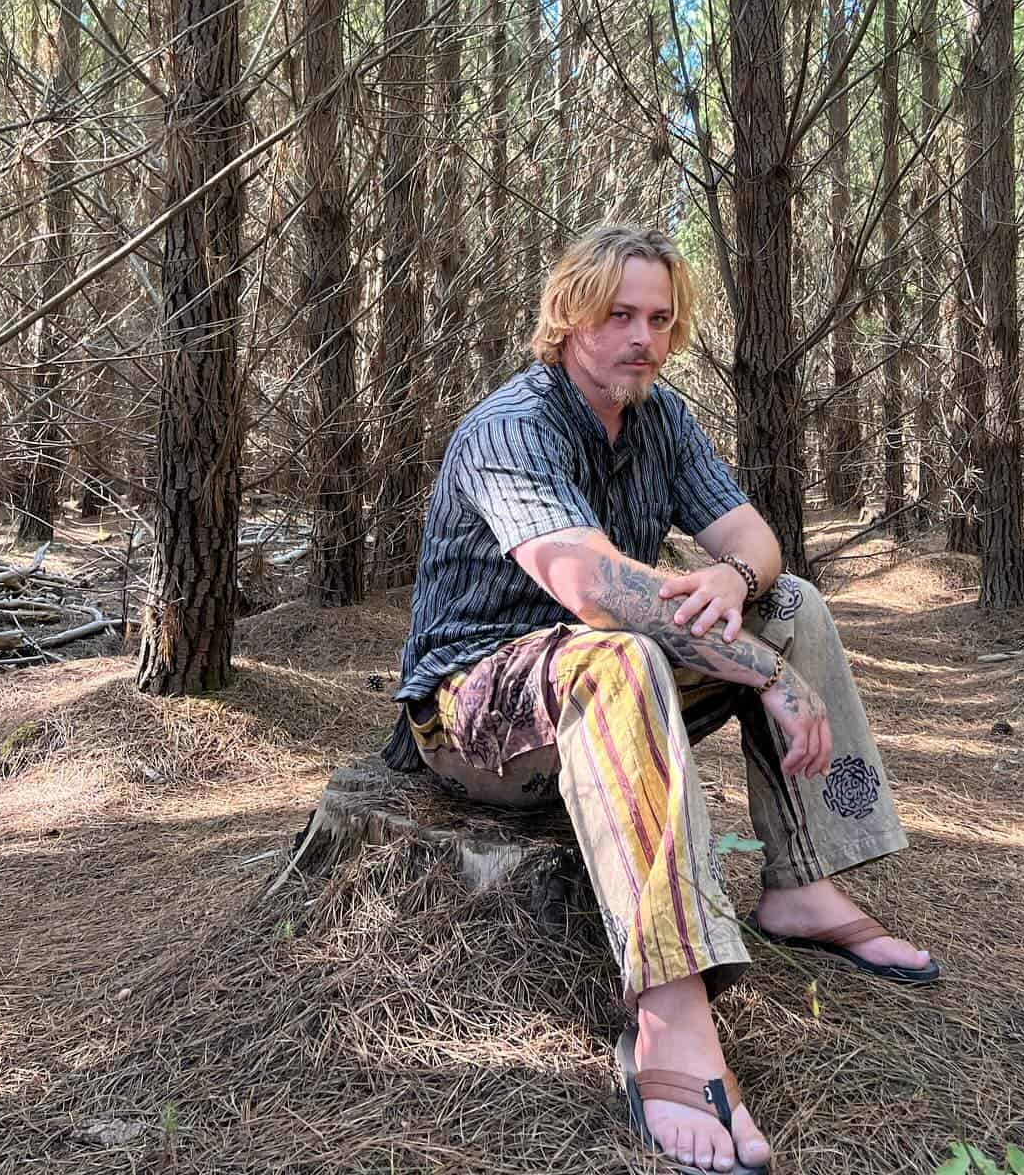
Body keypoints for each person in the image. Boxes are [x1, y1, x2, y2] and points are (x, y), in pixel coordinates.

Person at [387, 223, 939, 1174]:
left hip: (609, 688)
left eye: (660, 318)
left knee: (791, 602)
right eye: (619, 315)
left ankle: (804, 882)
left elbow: (757, 542)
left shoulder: (662, 418)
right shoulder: (509, 427)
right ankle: (671, 1011)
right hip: (476, 710)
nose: (643, 337)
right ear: (567, 318)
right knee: (620, 653)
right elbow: (592, 587)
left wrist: (731, 577)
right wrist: (763, 672)